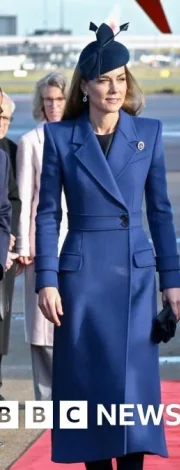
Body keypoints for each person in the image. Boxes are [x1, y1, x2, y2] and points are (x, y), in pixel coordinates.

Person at [35, 22, 180, 469]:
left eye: (121, 78)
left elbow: (160, 212)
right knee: (89, 387)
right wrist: (47, 279)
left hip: (136, 279)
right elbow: (48, 214)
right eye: (104, 79)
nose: (114, 88)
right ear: (84, 85)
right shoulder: (60, 138)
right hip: (81, 279)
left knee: (134, 392)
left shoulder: (150, 132)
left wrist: (173, 282)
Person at [16, 71, 69, 401]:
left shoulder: (82, 136)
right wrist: (23, 244)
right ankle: (48, 402)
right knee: (42, 329)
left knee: (73, 323)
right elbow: (23, 198)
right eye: (48, 100)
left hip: (76, 244)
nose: (53, 106)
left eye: (59, 99)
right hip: (40, 245)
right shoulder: (30, 142)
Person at [0, 88, 20, 401]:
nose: (3, 122)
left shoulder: (7, 153)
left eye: (7, 117)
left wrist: (9, 238)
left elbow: (11, 202)